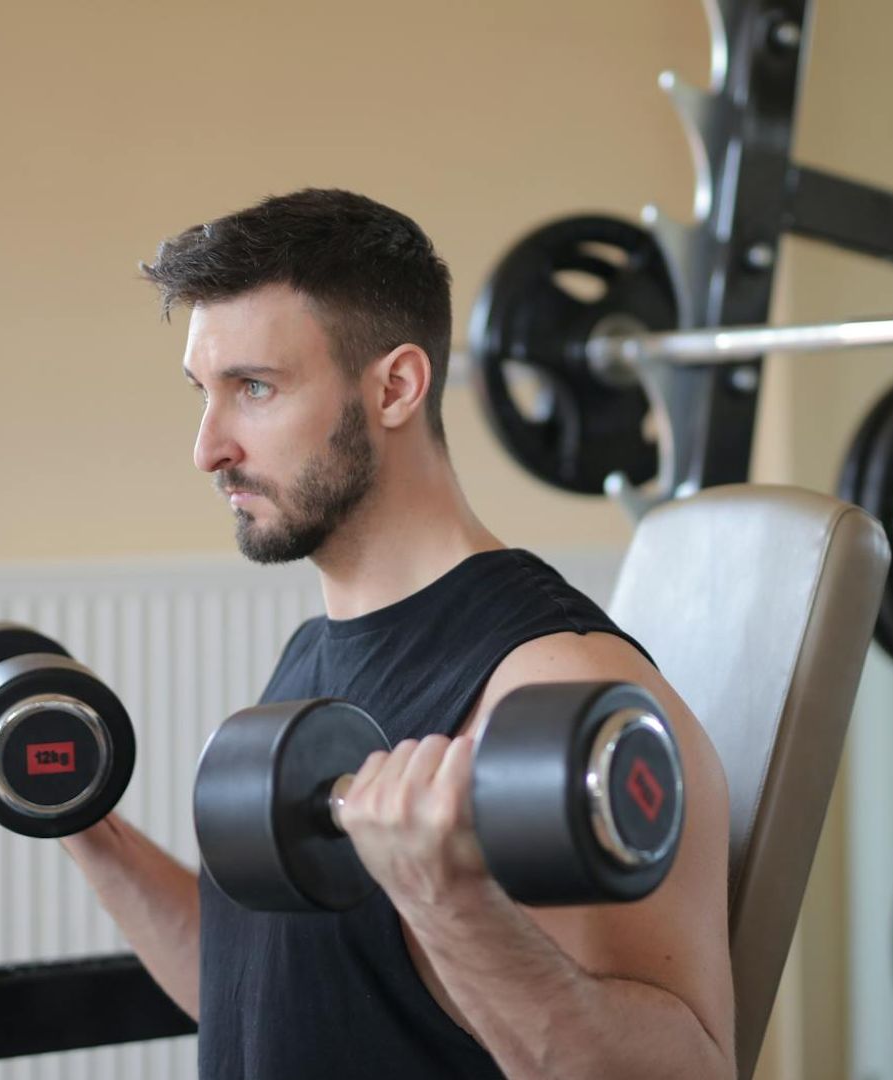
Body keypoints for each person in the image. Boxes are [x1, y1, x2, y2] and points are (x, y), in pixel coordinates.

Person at [59, 188, 735, 1079]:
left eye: (253, 388)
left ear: (396, 387)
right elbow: (268, 997)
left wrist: (453, 905)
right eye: (203, 394)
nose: (208, 447)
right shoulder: (316, 653)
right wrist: (82, 826)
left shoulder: (552, 687)